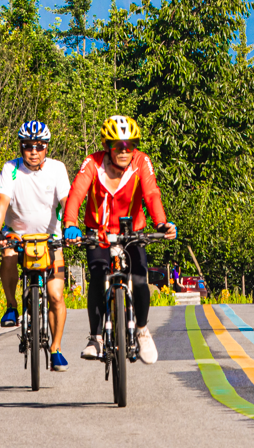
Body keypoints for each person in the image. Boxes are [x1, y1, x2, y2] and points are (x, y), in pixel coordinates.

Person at [62, 115, 176, 365]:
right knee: (98, 276)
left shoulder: (141, 161)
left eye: (130, 145)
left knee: (139, 278)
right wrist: (71, 224)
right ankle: (95, 338)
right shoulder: (92, 163)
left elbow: (152, 193)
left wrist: (161, 223)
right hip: (98, 234)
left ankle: (143, 330)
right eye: (118, 146)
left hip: (131, 233)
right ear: (107, 146)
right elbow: (76, 193)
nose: (125, 151)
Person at [0, 120, 72, 372]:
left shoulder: (57, 169)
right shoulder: (11, 168)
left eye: (39, 146)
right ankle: (12, 307)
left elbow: (67, 199)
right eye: (27, 146)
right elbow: (3, 202)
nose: (33, 151)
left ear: (46, 147)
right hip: (18, 236)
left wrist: (70, 226)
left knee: (56, 296)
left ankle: (56, 348)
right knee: (8, 255)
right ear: (21, 147)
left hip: (50, 238)